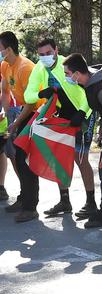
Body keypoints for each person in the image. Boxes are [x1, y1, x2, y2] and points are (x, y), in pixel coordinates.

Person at [22, 38, 93, 222]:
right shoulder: (39, 68)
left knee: (80, 158)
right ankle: (65, 201)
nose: (45, 57)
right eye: (41, 54)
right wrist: (40, 94)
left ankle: (91, 203)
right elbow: (27, 95)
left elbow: (87, 90)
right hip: (62, 114)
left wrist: (82, 111)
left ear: (56, 50)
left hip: (83, 111)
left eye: (48, 53)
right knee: (58, 155)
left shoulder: (66, 64)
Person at [63, 53, 102, 228]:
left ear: (77, 74)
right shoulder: (89, 84)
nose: (66, 77)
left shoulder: (100, 88)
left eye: (67, 73)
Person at [0, 31, 35, 210]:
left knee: (23, 158)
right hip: (22, 110)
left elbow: (31, 103)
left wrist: (15, 123)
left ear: (9, 49)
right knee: (19, 157)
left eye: (0, 49)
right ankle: (24, 198)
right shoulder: (5, 66)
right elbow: (5, 91)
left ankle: (30, 206)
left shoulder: (25, 68)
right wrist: (4, 112)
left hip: (36, 112)